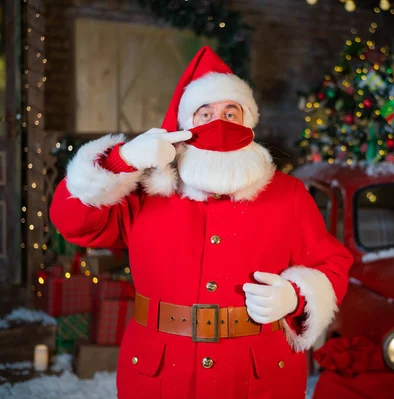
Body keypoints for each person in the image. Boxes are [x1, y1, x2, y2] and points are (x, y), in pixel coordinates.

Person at [49, 46, 352, 399]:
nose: (218, 122)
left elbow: (331, 264)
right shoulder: (147, 191)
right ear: (185, 126)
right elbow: (73, 221)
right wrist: (121, 161)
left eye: (230, 111)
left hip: (259, 376)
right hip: (161, 374)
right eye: (204, 113)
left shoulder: (288, 193)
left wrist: (295, 296)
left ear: (248, 121)